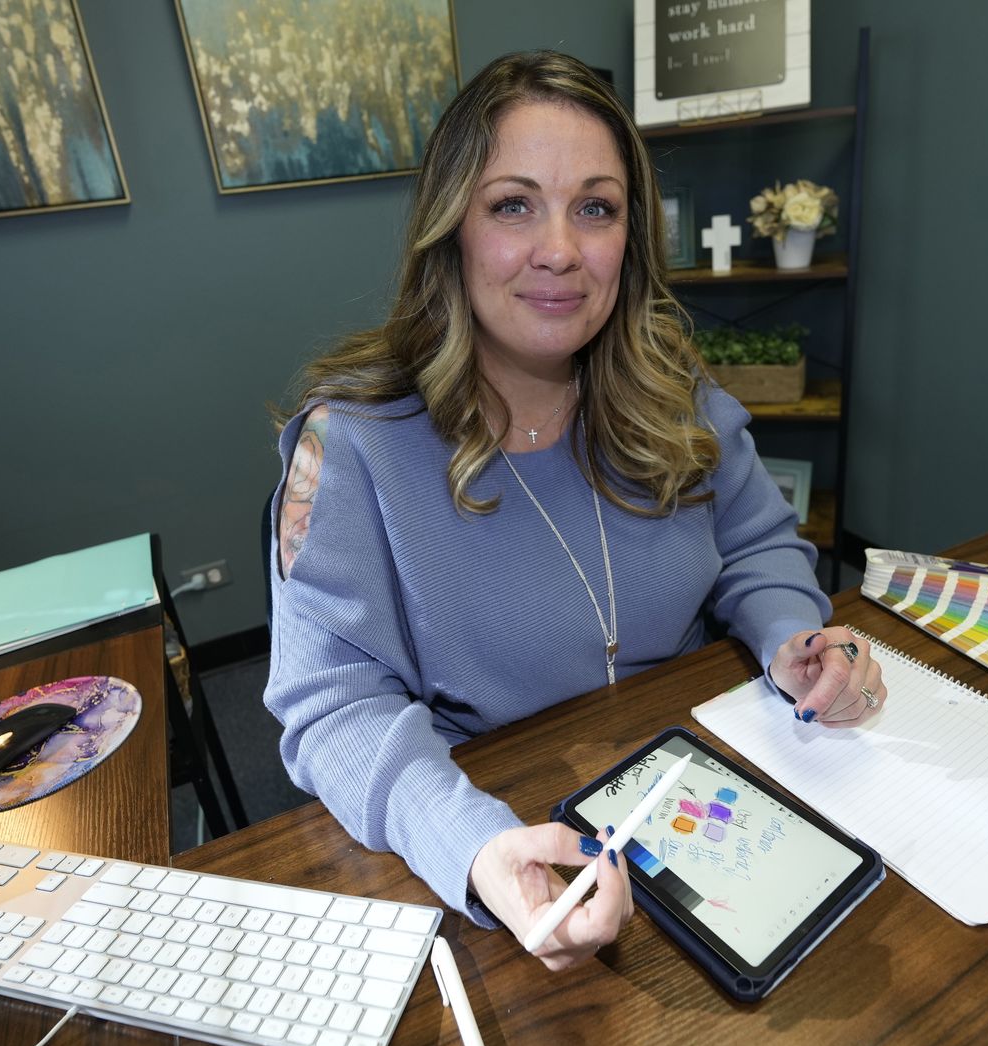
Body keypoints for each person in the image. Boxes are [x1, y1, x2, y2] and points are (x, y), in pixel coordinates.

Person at [264, 50, 887, 971]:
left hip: (701, 805)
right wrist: (475, 849)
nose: (560, 248)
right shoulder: (351, 445)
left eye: (595, 207)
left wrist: (795, 639)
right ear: (453, 230)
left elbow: (758, 546)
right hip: (505, 840)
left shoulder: (675, 388)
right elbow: (332, 712)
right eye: (513, 204)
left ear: (631, 238)